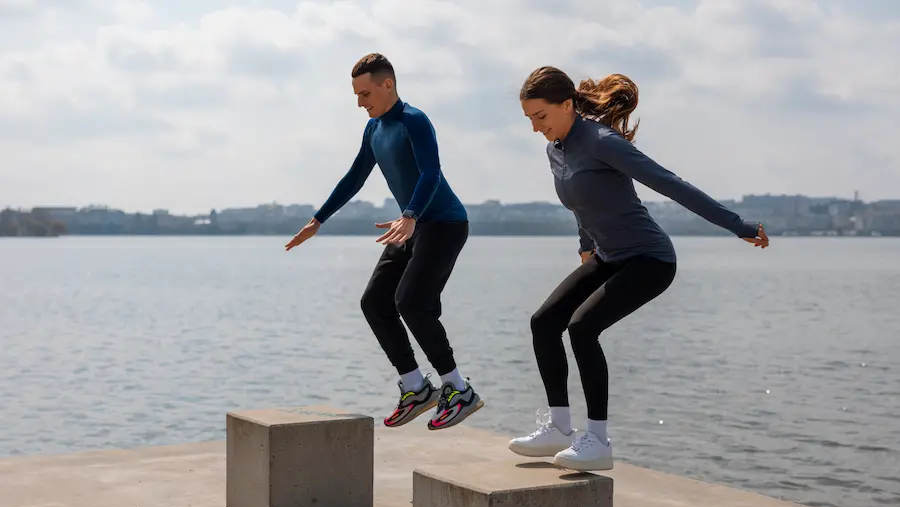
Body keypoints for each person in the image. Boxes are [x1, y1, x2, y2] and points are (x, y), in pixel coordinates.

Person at [509, 66, 769, 471]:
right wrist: (585, 246)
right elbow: (581, 203)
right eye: (529, 119)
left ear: (566, 106)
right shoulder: (555, 150)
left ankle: (597, 440)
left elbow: (669, 183)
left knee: (582, 327)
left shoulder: (601, 141)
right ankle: (559, 428)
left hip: (650, 259)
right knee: (544, 322)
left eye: (540, 117)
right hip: (608, 256)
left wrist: (737, 225)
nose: (535, 127)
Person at [284, 53, 483, 431]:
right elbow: (355, 176)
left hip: (442, 223)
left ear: (387, 84)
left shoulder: (414, 120)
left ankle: (458, 389)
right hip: (410, 223)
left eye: (364, 93)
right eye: (356, 95)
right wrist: (317, 220)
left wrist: (410, 215)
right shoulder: (374, 129)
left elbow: (431, 172)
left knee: (411, 302)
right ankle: (415, 386)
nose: (360, 102)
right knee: (375, 302)